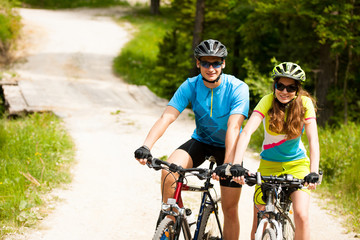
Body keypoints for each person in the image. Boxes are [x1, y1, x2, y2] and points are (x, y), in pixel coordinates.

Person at [134, 39, 250, 240]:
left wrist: (230, 164)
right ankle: (171, 221)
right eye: (205, 63)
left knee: (230, 209)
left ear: (223, 64)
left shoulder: (238, 88)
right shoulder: (191, 85)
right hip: (202, 141)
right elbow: (167, 116)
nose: (210, 68)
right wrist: (146, 145)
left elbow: (234, 127)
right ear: (198, 64)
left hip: (228, 148)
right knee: (168, 170)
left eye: (215, 63)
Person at [231, 62, 320, 240]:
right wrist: (236, 164)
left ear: (297, 89)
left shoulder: (305, 103)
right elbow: (247, 131)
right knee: (259, 219)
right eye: (280, 86)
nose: (285, 92)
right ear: (274, 85)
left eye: (291, 88)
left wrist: (314, 171)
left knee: (302, 215)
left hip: (297, 165)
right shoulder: (267, 101)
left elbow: (313, 139)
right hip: (269, 165)